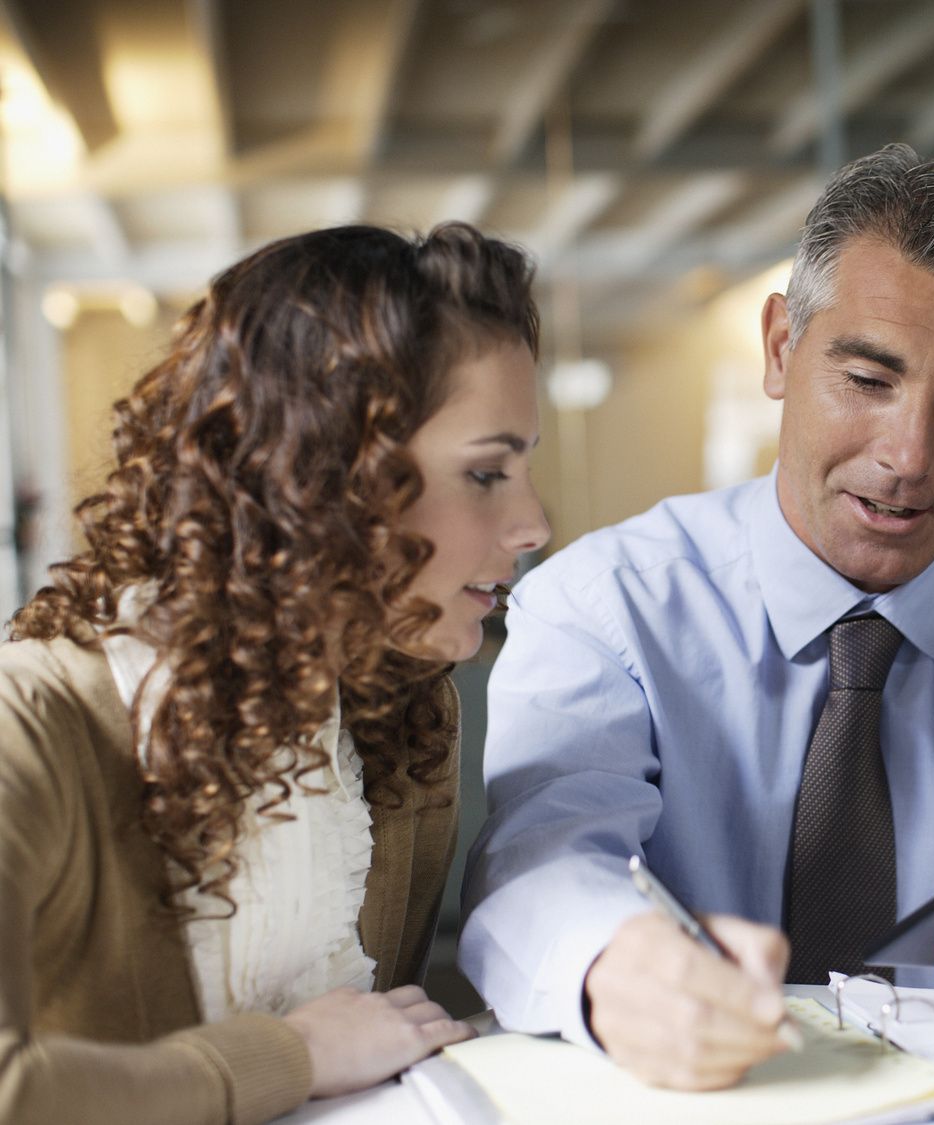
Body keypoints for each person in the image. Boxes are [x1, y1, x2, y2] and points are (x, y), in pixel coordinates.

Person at [462, 143, 934, 1090]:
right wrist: (616, 963)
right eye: (867, 381)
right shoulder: (606, 607)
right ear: (781, 348)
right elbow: (543, 862)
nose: (908, 455)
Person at [0, 223, 551, 1123]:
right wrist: (288, 1056)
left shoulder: (405, 715)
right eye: (487, 472)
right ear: (322, 477)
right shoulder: (33, 723)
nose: (533, 523)